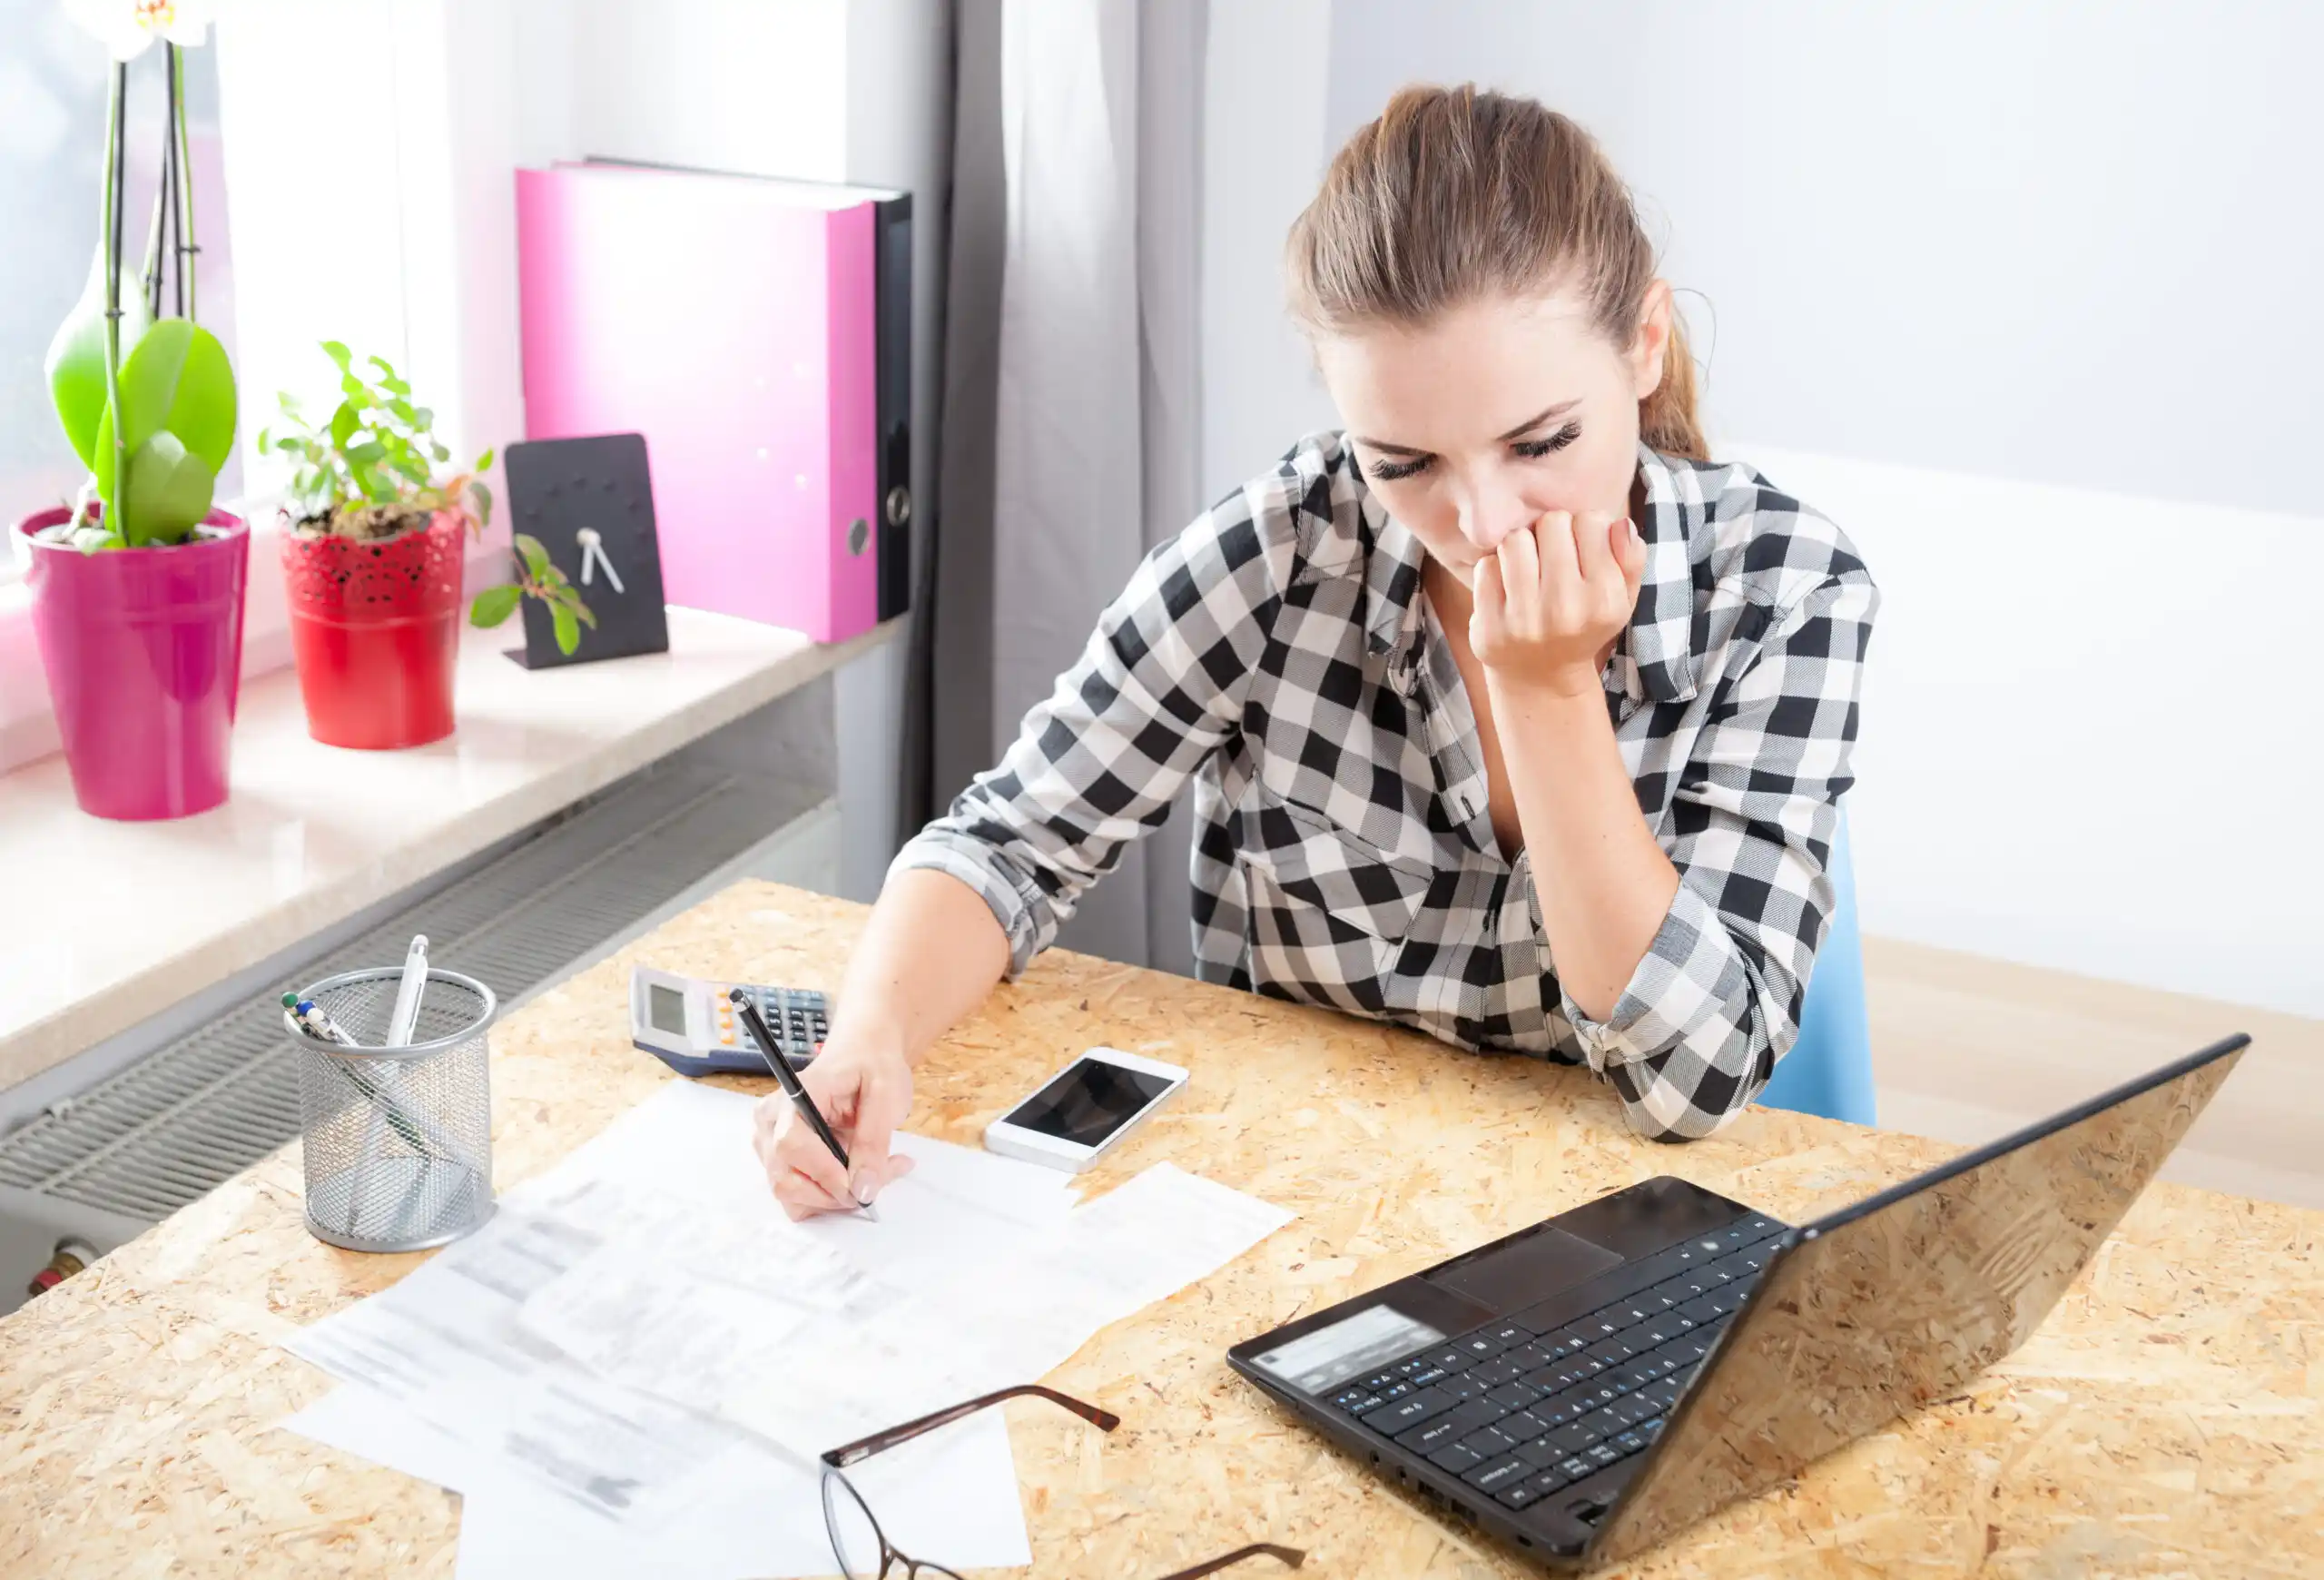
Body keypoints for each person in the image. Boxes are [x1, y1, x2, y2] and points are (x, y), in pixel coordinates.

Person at [758, 84, 1877, 1220]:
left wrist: (1542, 690)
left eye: (1539, 442)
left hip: (1605, 1230)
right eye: (1404, 464)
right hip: (1289, 1209)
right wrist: (869, 1036)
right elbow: (1010, 844)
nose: (1483, 521)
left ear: (1644, 343)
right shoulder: (1281, 551)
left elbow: (1690, 1082)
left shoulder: (1787, 590)